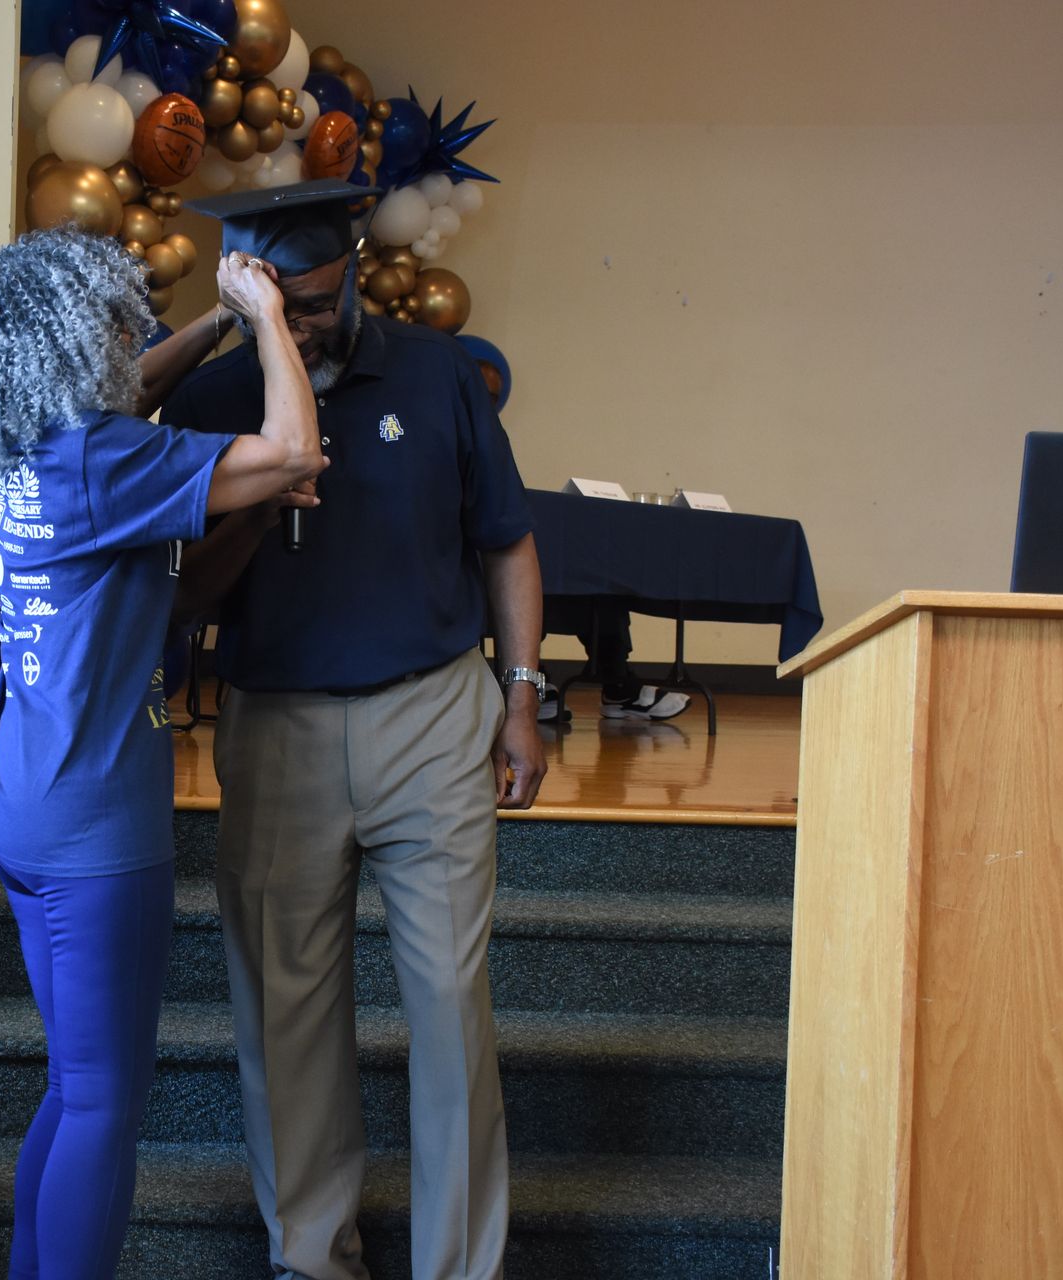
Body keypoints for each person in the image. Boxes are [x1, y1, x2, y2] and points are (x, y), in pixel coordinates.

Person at [0, 228, 325, 1280]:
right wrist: (271, 318)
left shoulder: (20, 437)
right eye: (106, 318)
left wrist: (216, 323)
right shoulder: (98, 456)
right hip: (95, 816)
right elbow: (292, 448)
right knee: (104, 1098)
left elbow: (139, 393)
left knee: (72, 1082)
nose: (127, 330)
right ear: (57, 342)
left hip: (20, 792)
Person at [164, 180, 546, 1280]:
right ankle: (312, 1253)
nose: (310, 324)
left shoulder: (436, 372)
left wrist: (519, 693)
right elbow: (182, 599)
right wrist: (274, 489)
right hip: (276, 723)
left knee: (447, 1001)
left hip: (432, 710)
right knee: (284, 1007)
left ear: (354, 279)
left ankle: (457, 1264)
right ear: (245, 292)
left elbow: (506, 539)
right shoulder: (214, 397)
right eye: (286, 305)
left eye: (322, 302)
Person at [455, 335, 690, 724]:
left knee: (597, 582)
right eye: (479, 391)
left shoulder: (493, 443)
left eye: (493, 397)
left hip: (502, 560)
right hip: (460, 574)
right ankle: (526, 682)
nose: (486, 403)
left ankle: (616, 684)